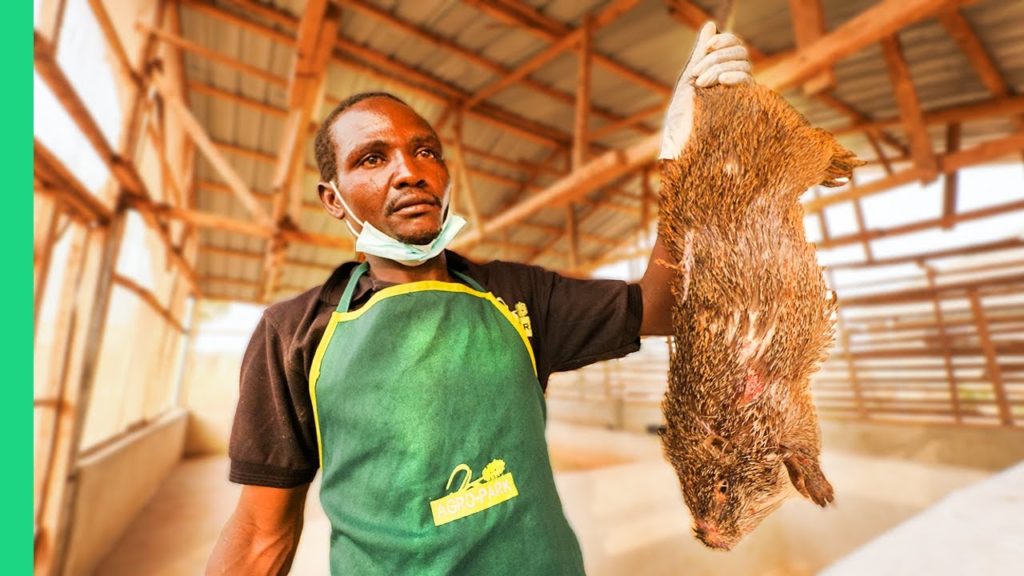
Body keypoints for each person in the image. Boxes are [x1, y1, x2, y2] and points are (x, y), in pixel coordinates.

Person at [207, 22, 751, 576]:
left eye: (425, 152)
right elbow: (261, 532)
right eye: (372, 158)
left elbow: (663, 304)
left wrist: (684, 164)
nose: (409, 172)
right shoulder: (293, 334)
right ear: (333, 199)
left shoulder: (519, 296)